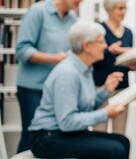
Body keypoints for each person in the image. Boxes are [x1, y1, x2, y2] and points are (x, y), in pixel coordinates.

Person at [28, 20, 130, 159]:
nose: (105, 46)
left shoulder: (85, 69)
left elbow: (85, 107)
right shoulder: (68, 74)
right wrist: (106, 113)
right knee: (116, 150)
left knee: (123, 141)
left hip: (64, 133)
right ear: (87, 46)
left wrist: (106, 90)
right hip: (47, 137)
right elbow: (67, 122)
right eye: (101, 42)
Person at [15, 0, 87, 153]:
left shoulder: (72, 19)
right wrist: (55, 58)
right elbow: (23, 50)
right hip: (33, 87)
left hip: (58, 89)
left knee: (53, 139)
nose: (81, 0)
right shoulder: (38, 11)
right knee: (32, 136)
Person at [92, 0, 133, 134]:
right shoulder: (98, 30)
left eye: (125, 8)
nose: (123, 12)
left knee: (120, 133)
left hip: (122, 89)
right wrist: (110, 51)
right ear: (109, 10)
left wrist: (133, 63)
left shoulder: (128, 32)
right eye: (119, 8)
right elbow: (92, 59)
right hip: (101, 88)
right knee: (99, 132)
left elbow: (127, 60)